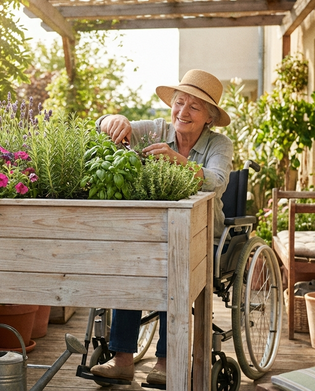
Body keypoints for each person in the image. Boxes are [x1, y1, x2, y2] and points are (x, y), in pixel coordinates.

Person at [89, 69, 233, 385]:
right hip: (155, 233)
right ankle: (122, 358)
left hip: (202, 235)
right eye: (179, 103)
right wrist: (112, 120)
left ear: (209, 117)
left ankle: (167, 361)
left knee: (174, 269)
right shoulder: (155, 131)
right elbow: (102, 128)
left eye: (194, 107)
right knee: (131, 265)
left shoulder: (219, 145)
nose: (182, 112)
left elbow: (217, 181)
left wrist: (176, 162)